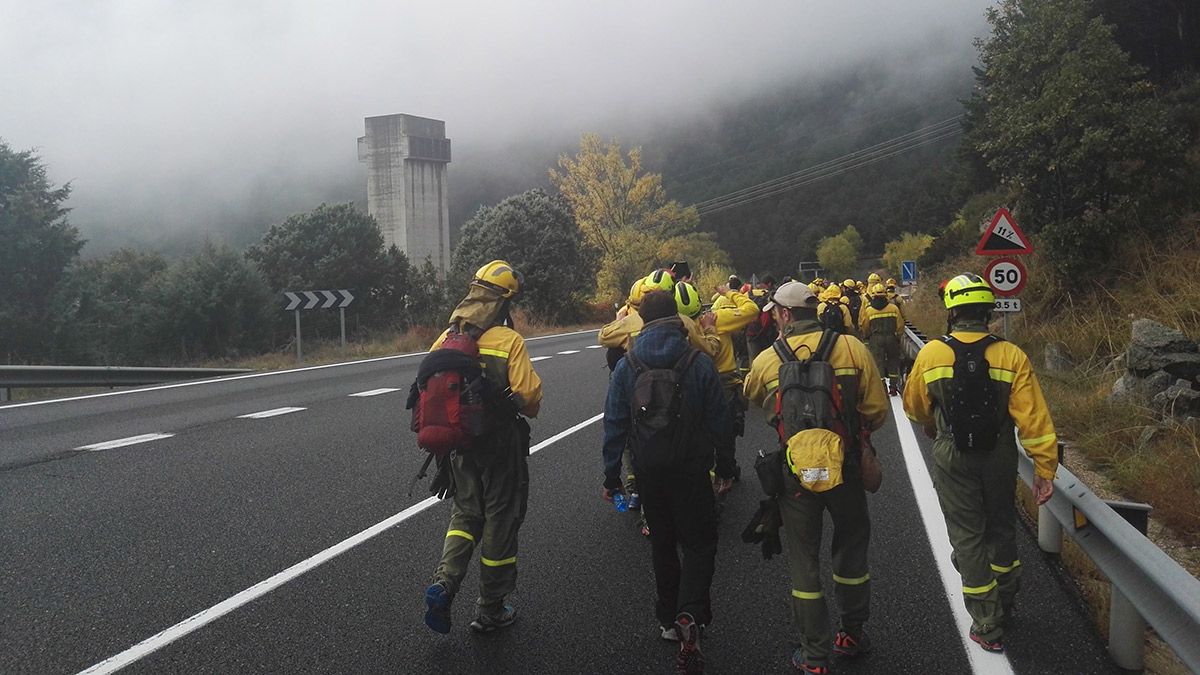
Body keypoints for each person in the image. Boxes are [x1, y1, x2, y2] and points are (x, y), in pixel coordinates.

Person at [902, 273, 1058, 653]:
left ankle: (987, 623)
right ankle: (1005, 600)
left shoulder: (933, 353)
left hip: (952, 455)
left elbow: (914, 406)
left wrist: (932, 424)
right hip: (999, 455)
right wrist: (1044, 469)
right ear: (988, 312)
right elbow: (1034, 420)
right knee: (1001, 527)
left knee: (967, 536)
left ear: (952, 312)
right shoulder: (1011, 355)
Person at [744, 281, 889, 675]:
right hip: (846, 468)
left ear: (785, 315)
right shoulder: (853, 349)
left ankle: (815, 657)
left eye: (775, 312)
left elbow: (754, 398)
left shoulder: (767, 360)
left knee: (804, 562)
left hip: (795, 476)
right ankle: (853, 633)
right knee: (851, 550)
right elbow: (876, 409)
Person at [602, 290, 733, 675]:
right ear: (678, 319)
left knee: (662, 543)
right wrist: (725, 465)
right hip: (692, 469)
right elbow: (719, 421)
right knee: (699, 541)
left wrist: (612, 476)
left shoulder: (629, 364)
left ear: (642, 321)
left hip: (648, 470)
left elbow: (615, 424)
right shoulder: (698, 361)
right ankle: (692, 613)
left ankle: (667, 620)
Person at [423, 260, 543, 634]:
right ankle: (491, 608)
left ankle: (444, 583)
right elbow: (530, 399)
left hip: (459, 447)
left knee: (464, 515)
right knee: (500, 520)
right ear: (504, 303)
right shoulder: (508, 341)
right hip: (500, 446)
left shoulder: (445, 338)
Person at [697, 281, 761, 482]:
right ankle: (726, 471)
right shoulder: (720, 318)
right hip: (724, 380)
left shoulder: (682, 324)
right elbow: (752, 309)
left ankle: (706, 471)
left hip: (695, 382)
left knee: (700, 429)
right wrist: (731, 292)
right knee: (727, 429)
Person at [858, 283, 904, 396]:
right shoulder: (893, 308)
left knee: (878, 362)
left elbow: (865, 326)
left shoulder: (869, 310)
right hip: (891, 338)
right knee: (893, 361)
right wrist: (897, 337)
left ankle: (882, 387)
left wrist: (867, 336)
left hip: (876, 339)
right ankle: (893, 387)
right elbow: (900, 326)